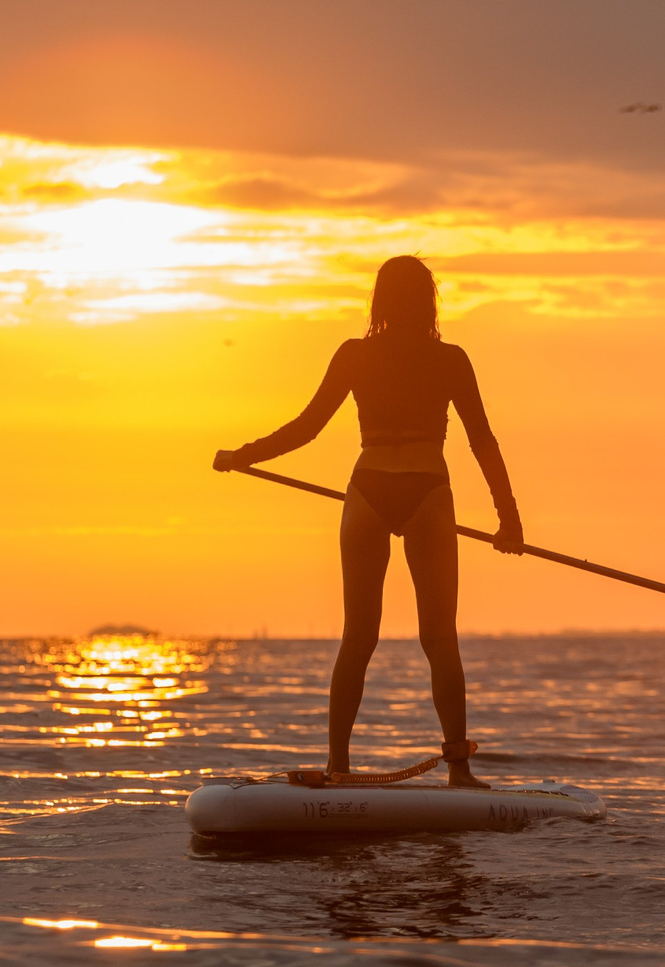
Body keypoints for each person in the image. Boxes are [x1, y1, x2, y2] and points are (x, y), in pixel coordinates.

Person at [215, 256, 522, 788]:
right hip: (428, 490)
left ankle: (338, 765)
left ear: (378, 301)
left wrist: (244, 455)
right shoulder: (449, 358)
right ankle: (459, 771)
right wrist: (509, 518)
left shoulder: (356, 354)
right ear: (429, 302)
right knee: (440, 639)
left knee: (357, 638)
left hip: (368, 488)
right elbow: (481, 441)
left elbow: (307, 428)